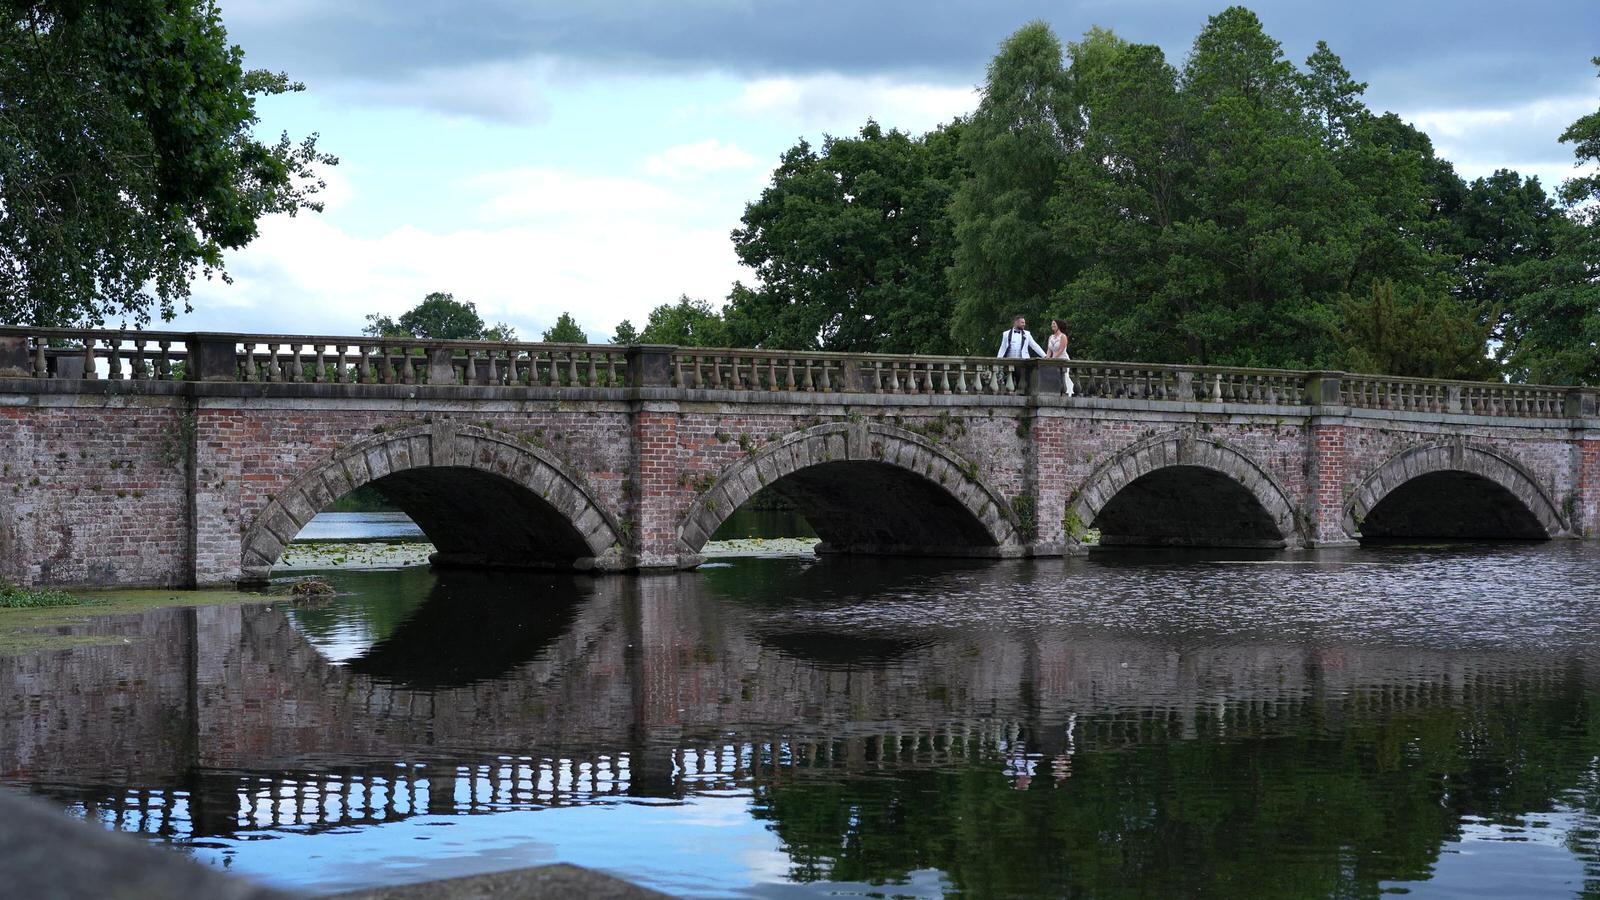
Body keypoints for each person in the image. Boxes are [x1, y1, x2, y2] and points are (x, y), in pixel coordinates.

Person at [996, 315, 1045, 391]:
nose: (1024, 324)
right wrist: (998, 360)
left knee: (1022, 383)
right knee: (1008, 383)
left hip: (1022, 362)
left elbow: (1035, 346)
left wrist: (1044, 356)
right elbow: (1002, 348)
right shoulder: (1006, 334)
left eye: (1024, 322)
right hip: (1009, 362)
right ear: (1016, 322)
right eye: (1022, 322)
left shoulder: (1027, 334)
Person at [1045, 318, 1076, 398]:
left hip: (1062, 359)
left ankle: (1068, 393)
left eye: (1054, 324)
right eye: (1052, 324)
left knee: (1064, 376)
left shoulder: (1063, 336)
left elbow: (1061, 349)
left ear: (1059, 325)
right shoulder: (1050, 337)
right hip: (1053, 360)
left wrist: (1053, 359)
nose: (1052, 325)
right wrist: (1047, 359)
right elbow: (1049, 350)